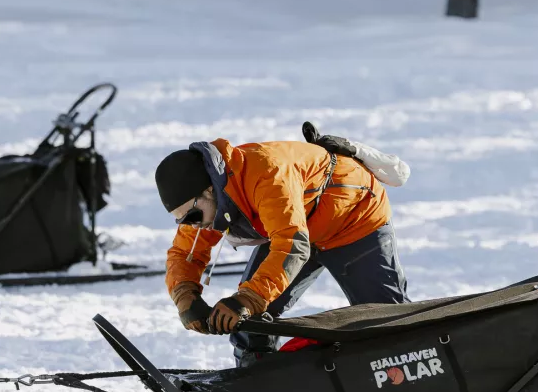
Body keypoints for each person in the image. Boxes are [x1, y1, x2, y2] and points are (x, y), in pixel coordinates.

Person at [155, 122, 411, 367]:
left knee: (386, 319)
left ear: (209, 191)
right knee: (249, 321)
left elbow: (291, 245)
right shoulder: (208, 201)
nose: (192, 224)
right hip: (295, 228)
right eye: (182, 220)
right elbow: (184, 252)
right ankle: (258, 381)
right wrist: (185, 297)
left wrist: (248, 298)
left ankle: (411, 373)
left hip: (354, 219)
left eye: (192, 216)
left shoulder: (265, 174)